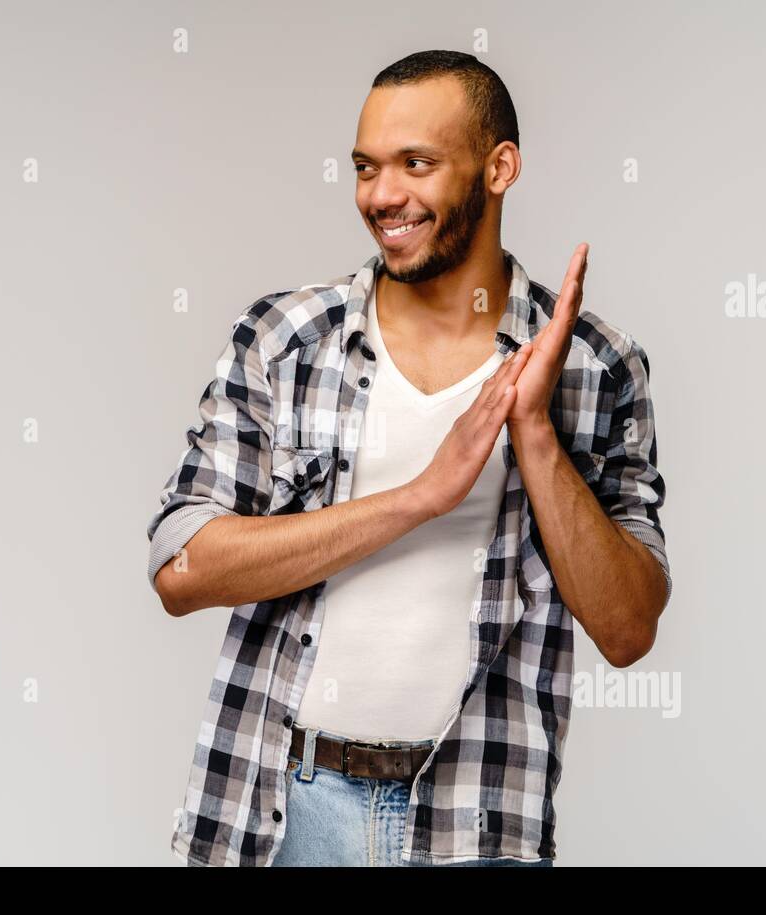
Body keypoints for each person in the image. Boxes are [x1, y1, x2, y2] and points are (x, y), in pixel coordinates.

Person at [147, 50, 671, 867]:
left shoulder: (596, 366)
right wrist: (421, 495)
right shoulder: (287, 339)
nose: (381, 196)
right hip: (287, 810)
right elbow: (182, 569)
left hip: (476, 818)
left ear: (500, 168)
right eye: (366, 167)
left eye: (416, 164)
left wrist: (533, 431)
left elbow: (628, 625)